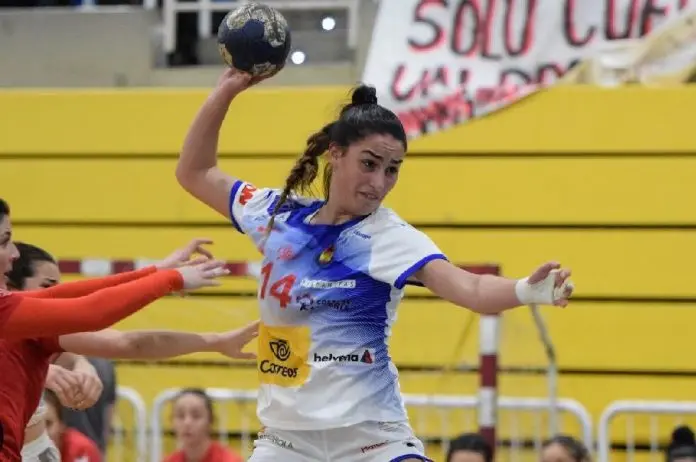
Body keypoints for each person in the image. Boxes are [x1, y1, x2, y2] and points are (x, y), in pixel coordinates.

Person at [175, 69, 574, 462]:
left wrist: (526, 290)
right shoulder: (277, 214)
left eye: (392, 169)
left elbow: (471, 288)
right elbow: (194, 172)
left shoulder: (388, 235)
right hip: (286, 442)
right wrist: (225, 92)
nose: (380, 183)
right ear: (336, 153)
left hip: (373, 441)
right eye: (369, 164)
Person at [0, 198, 232, 461]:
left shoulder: (23, 316)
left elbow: (77, 297)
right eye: (4, 241)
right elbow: (90, 312)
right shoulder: (11, 311)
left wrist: (158, 271)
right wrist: (170, 278)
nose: (14, 252)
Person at [163, 388, 244, 462]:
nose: (187, 422)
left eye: (196, 415)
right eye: (180, 416)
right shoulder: (170, 460)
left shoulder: (229, 460)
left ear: (211, 421)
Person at [44, 390, 102, 462]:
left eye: (48, 424)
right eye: (34, 425)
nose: (42, 433)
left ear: (61, 425)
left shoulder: (81, 450)